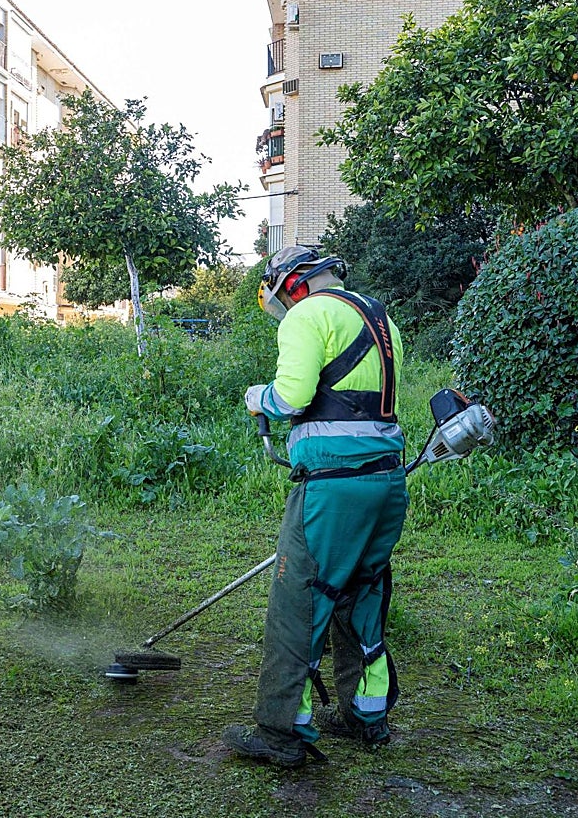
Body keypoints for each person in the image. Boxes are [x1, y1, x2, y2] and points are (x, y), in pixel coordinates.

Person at [222, 246, 407, 767]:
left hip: (332, 489)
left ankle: (282, 731)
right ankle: (366, 714)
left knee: (300, 598)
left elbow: (292, 397)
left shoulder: (306, 315)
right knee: (362, 595)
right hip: (386, 482)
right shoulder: (380, 317)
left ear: (292, 285)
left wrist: (258, 397)